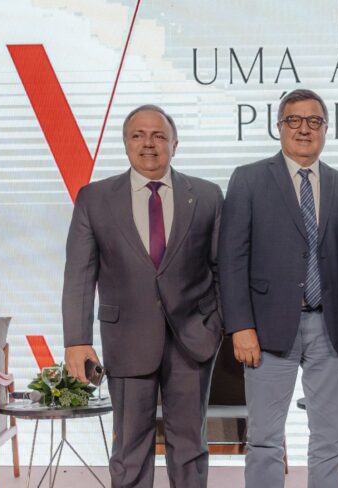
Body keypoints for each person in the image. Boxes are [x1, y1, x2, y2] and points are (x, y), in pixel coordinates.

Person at [218, 88, 338, 488]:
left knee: (331, 438)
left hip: (333, 328)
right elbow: (231, 259)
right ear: (279, 126)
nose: (304, 129)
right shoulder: (249, 179)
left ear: (326, 129)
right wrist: (240, 326)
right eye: (294, 120)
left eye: (314, 121)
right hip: (266, 331)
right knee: (265, 440)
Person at [62, 104, 224, 487]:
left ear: (175, 143)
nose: (148, 143)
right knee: (130, 448)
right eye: (138, 135)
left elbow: (222, 269)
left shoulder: (206, 194)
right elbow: (80, 275)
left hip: (193, 340)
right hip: (126, 339)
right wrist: (77, 341)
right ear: (125, 143)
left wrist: (216, 324)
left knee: (190, 447)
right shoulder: (95, 198)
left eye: (158, 135)